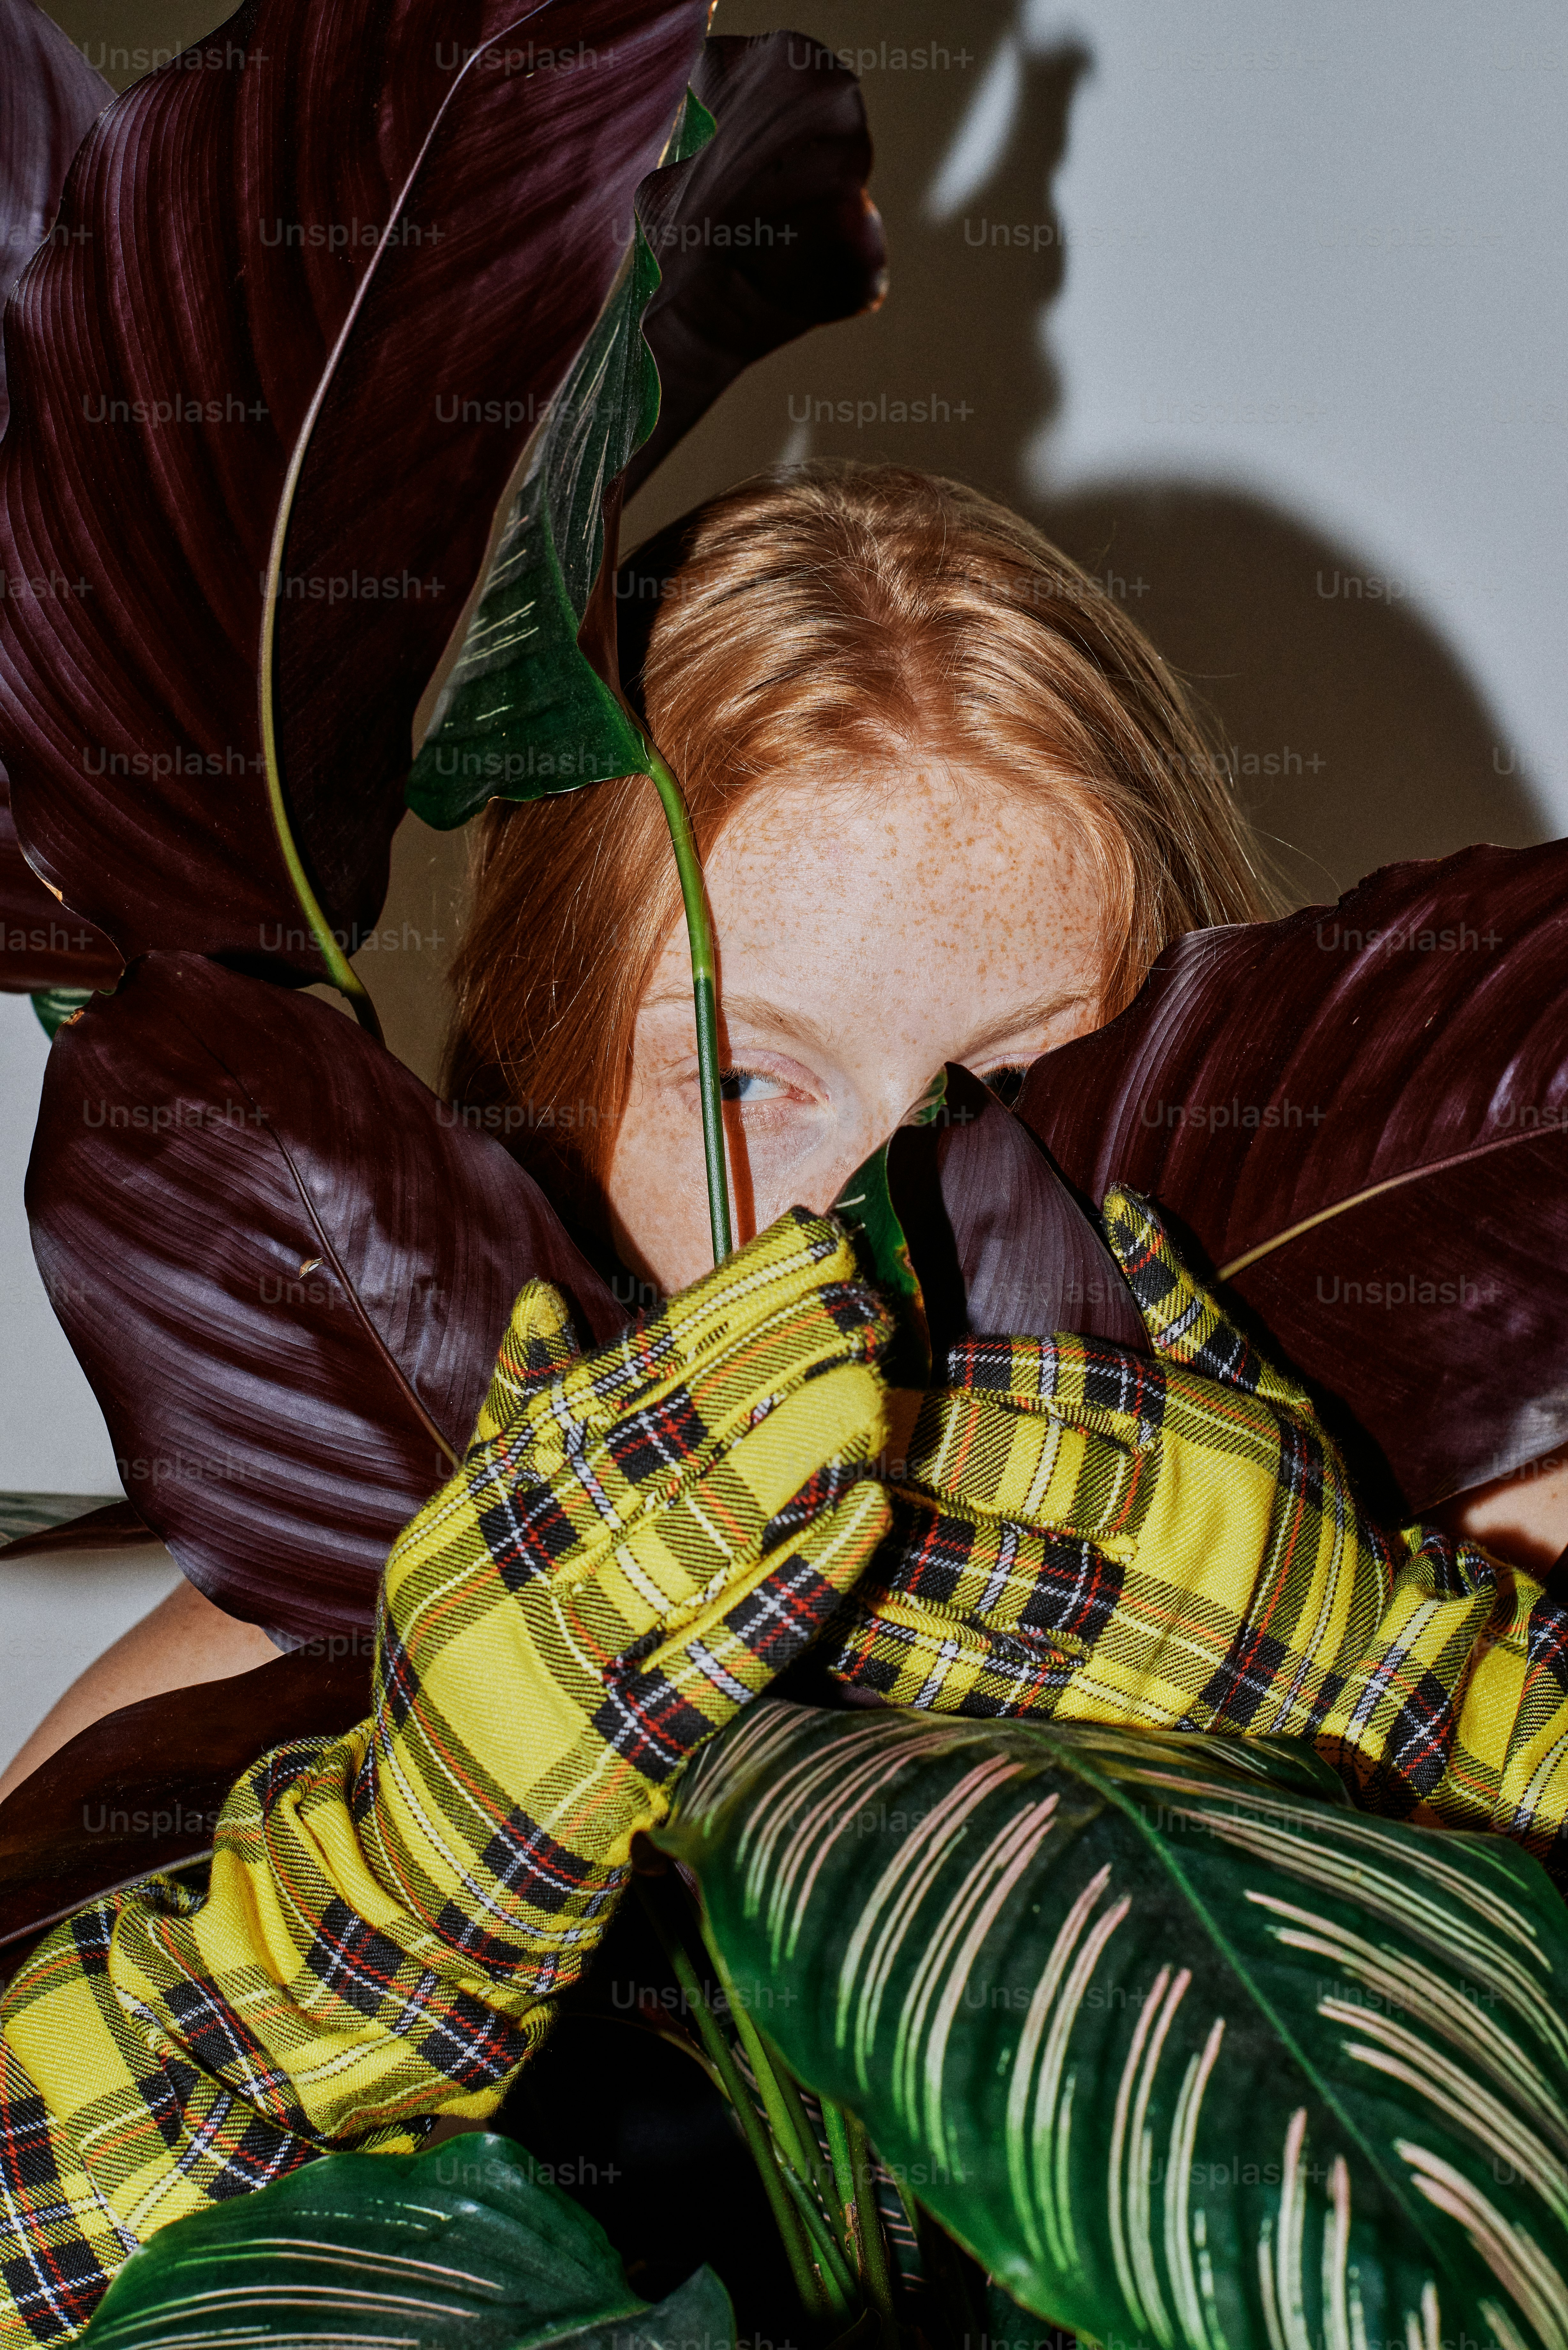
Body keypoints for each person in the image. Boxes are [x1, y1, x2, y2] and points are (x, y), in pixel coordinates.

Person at [1, 464, 1563, 2344]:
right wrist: (398, 1889)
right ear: (553, 1103)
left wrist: (1388, 1689)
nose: (880, 1212)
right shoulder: (283, 1669)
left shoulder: (1464, 1544)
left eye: (1016, 1082)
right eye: (749, 1087)